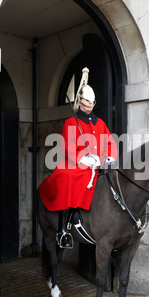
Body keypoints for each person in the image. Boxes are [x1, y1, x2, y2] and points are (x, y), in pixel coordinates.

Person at [39, 67, 118, 248]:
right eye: (85, 103)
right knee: (68, 178)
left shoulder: (100, 123)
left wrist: (108, 158)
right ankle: (66, 225)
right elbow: (68, 146)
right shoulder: (71, 122)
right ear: (80, 103)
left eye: (91, 104)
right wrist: (84, 159)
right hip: (76, 164)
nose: (88, 107)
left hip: (97, 165)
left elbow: (110, 144)